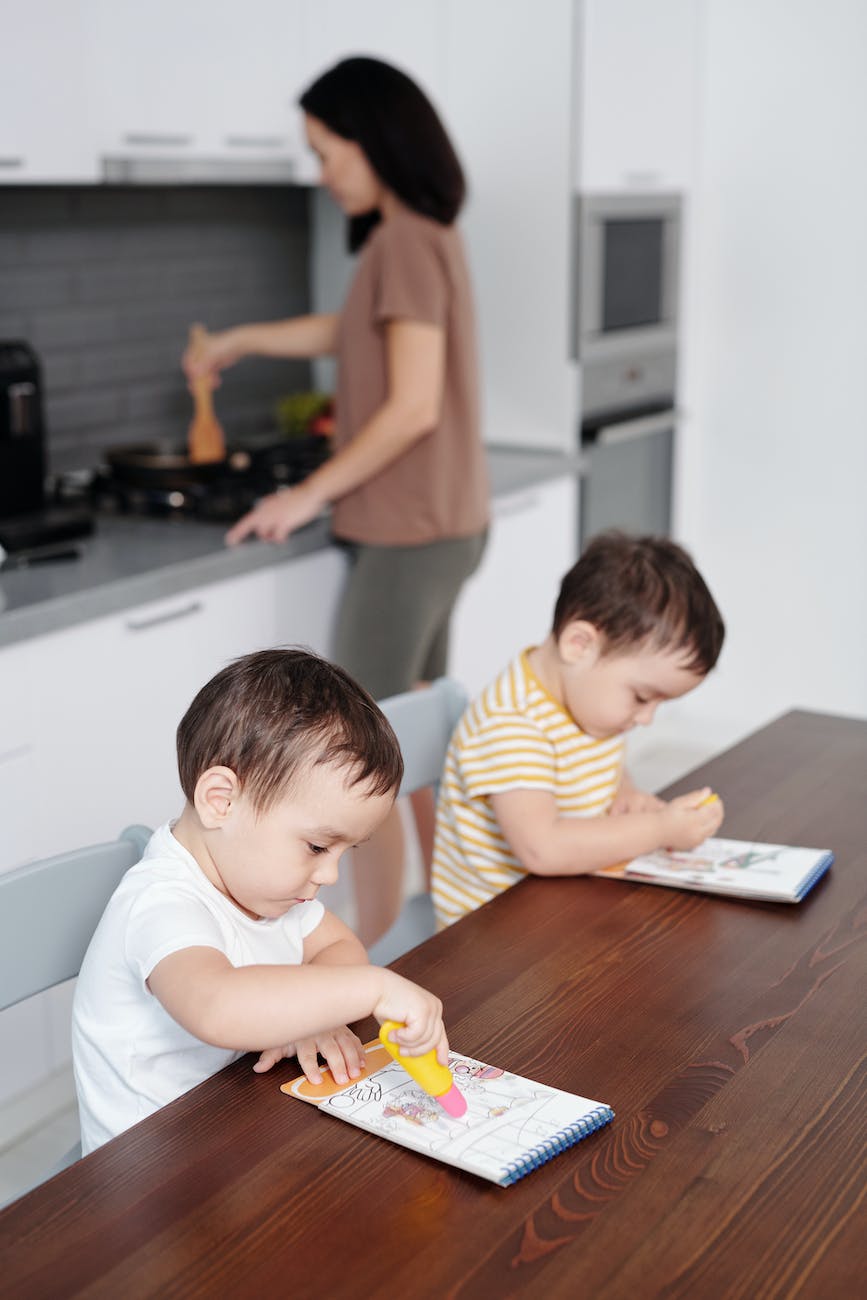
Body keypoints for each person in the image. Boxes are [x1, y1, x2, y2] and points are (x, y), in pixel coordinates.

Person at [182, 57, 489, 948]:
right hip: (443, 523)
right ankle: (451, 921)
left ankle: (385, 940)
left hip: (406, 532)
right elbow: (351, 333)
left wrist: (305, 494)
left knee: (364, 758)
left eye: (326, 151)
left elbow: (412, 403)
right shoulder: (421, 233)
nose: (321, 174)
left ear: (374, 140)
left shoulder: (400, 240)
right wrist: (244, 339)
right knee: (420, 729)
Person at [71, 648, 450, 1155]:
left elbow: (339, 946)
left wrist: (316, 1016)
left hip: (231, 1136)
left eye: (344, 850)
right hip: (145, 1180)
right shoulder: (160, 902)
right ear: (221, 801)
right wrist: (372, 991)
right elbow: (216, 1005)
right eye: (317, 846)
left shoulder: (265, 887)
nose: (331, 874)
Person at [431, 532, 727, 929]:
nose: (646, 719)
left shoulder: (588, 705)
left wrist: (624, 793)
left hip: (562, 908)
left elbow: (597, 762)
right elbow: (543, 849)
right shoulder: (510, 724)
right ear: (579, 644)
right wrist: (658, 829)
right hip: (492, 941)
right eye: (642, 697)